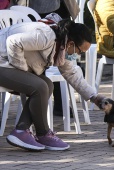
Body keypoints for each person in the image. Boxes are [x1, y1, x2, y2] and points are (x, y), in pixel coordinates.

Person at [0, 18, 106, 151]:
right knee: (39, 87)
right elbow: (13, 42)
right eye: (80, 51)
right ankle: (42, 133)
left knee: (47, 85)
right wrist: (23, 72)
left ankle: (23, 130)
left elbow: (72, 74)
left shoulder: (60, 46)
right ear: (71, 43)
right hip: (2, 63)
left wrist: (94, 97)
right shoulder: (47, 36)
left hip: (6, 65)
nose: (79, 55)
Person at [10, 0, 80, 117]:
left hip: (56, 9)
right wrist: (20, 70)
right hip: (40, 9)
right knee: (47, 57)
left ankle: (55, 105)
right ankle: (41, 108)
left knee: (57, 57)